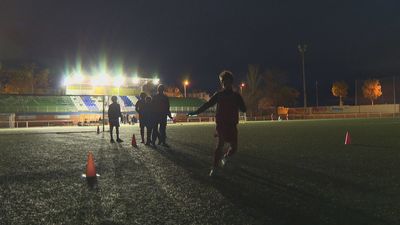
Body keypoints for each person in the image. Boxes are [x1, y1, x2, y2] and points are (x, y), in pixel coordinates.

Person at [188, 70, 246, 176]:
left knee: (234, 148)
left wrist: (241, 105)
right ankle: (214, 168)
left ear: (231, 82)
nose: (224, 83)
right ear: (222, 83)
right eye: (223, 81)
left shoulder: (236, 96)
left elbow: (244, 109)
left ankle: (225, 157)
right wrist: (195, 112)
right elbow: (207, 105)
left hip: (232, 125)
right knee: (220, 145)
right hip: (222, 125)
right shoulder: (219, 95)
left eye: (226, 81)